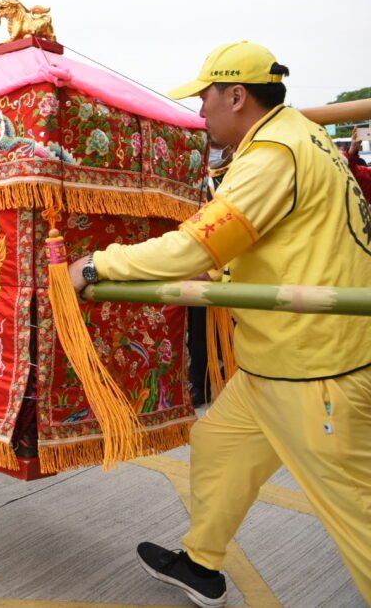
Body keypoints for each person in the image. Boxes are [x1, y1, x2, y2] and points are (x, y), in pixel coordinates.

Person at [68, 41, 371, 606]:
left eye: (205, 98)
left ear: (237, 95)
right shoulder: (299, 139)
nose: (200, 112)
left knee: (358, 513)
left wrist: (94, 264)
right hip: (274, 362)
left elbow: (193, 248)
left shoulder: (273, 155)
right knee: (217, 444)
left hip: (314, 369)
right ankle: (202, 563)